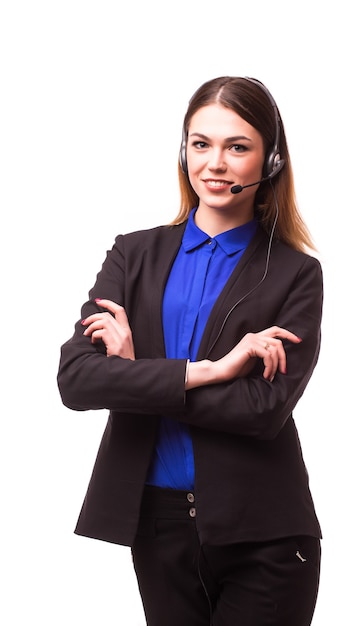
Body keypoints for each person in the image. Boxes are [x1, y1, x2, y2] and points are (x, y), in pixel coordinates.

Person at [57, 75, 323, 626]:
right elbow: (77, 380)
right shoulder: (133, 255)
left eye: (238, 147)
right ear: (184, 151)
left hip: (265, 532)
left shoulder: (297, 274)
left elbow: (262, 410)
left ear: (270, 161)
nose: (215, 163)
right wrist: (210, 372)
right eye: (201, 144)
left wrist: (135, 376)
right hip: (157, 525)